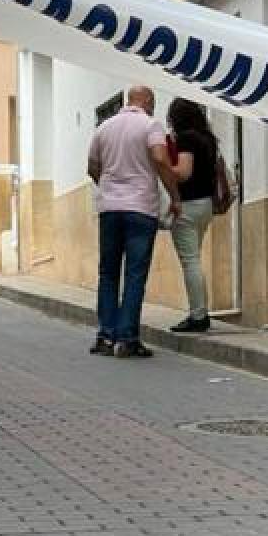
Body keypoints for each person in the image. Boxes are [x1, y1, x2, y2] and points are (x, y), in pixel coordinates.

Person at [87, 85, 183, 358]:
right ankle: (127, 338)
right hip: (140, 208)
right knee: (134, 274)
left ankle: (105, 336)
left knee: (108, 272)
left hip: (109, 208)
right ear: (149, 102)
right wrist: (174, 196)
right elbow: (159, 159)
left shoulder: (104, 128)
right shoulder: (150, 125)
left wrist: (108, 188)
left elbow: (92, 167)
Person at [165, 98, 219, 333]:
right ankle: (200, 312)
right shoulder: (207, 139)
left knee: (190, 262)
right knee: (194, 259)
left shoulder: (186, 138)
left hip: (188, 205)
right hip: (206, 205)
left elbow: (183, 173)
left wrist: (162, 166)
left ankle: (198, 316)